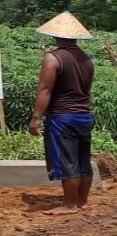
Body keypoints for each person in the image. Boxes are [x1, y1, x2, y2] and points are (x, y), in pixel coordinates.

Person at [28, 12, 95, 215]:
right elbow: (87, 89)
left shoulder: (53, 58)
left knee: (67, 159)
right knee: (83, 159)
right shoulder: (86, 59)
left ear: (56, 35)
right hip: (84, 115)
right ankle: (82, 201)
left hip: (62, 116)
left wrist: (36, 117)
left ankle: (68, 205)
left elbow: (45, 90)